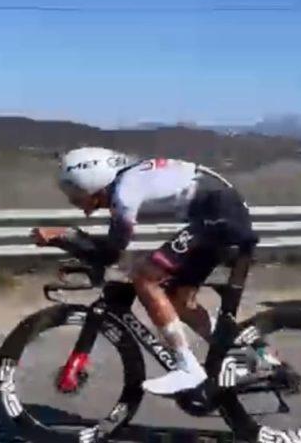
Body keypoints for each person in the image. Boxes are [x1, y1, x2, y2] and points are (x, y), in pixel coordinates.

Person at [31, 147, 257, 396]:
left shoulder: (125, 190)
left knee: (146, 279)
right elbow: (112, 251)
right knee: (178, 300)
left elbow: (112, 251)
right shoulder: (131, 180)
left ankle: (188, 368)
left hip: (219, 217)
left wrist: (65, 236)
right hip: (220, 215)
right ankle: (238, 352)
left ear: (91, 182)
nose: (78, 205)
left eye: (77, 195)